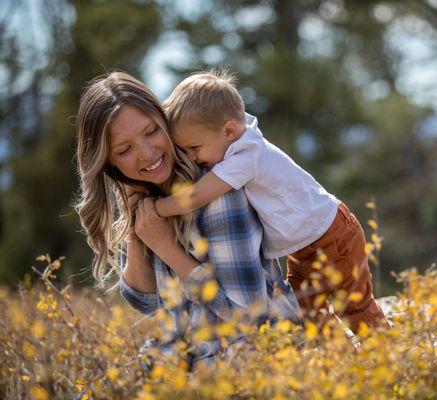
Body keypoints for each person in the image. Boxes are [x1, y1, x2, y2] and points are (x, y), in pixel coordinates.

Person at [73, 71, 301, 368]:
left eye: (152, 131)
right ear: (109, 162)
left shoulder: (214, 190)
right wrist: (135, 225)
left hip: (249, 357)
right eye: (125, 149)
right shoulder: (148, 193)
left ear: (164, 120)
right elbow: (146, 302)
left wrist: (168, 249)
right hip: (184, 357)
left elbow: (250, 316)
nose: (147, 153)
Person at [153, 70, 388, 333]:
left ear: (229, 130)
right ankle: (336, 365)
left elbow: (197, 196)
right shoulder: (233, 141)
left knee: (354, 307)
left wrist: (156, 209)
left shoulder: (246, 154)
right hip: (303, 247)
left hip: (332, 236)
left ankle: (394, 360)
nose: (192, 158)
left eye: (194, 148)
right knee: (309, 315)